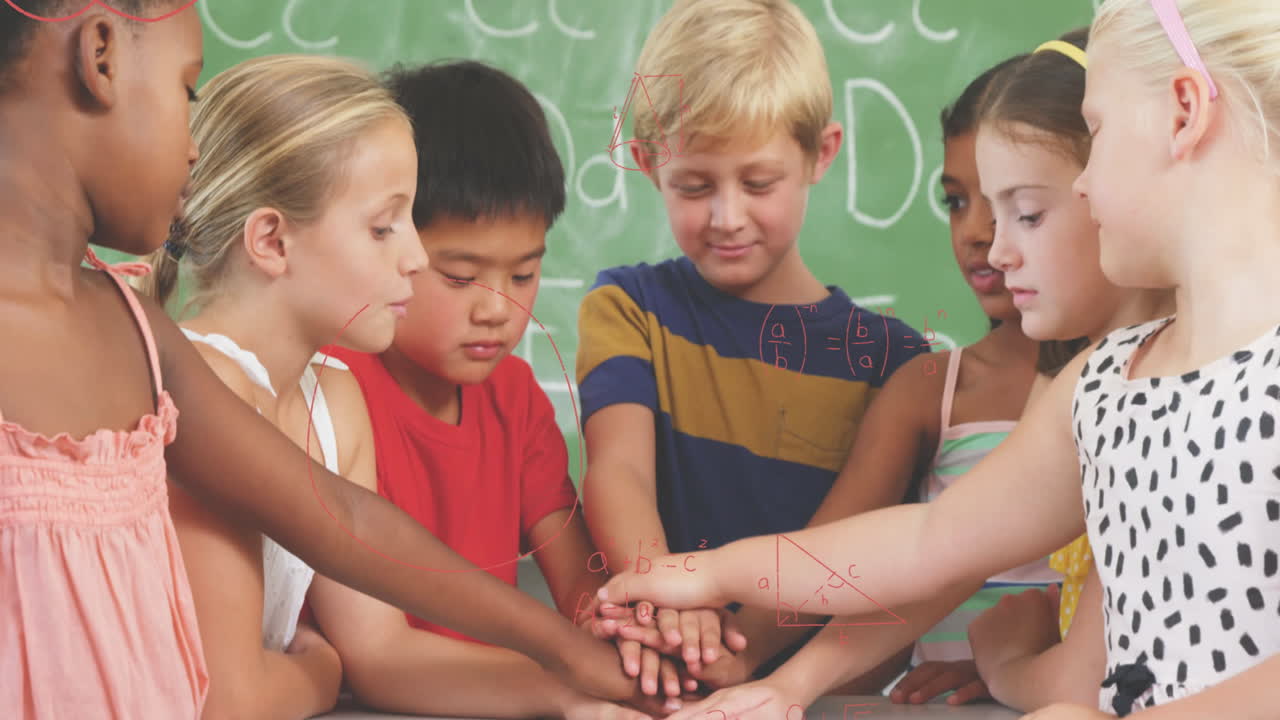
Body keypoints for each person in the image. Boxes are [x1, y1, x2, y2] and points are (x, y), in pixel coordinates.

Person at [603, 1, 1280, 715]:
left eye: (1099, 130)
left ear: (1183, 112)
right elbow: (932, 540)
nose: (1082, 182)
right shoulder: (1103, 385)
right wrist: (706, 574)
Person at [0, 4, 644, 717]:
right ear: (100, 55)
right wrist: (322, 666)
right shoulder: (182, 366)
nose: (417, 257)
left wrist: (577, 673)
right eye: (187, 91)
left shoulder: (166, 344)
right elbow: (234, 691)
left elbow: (349, 528)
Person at [576, 0, 927, 693]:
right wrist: (675, 599)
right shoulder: (628, 310)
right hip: (665, 679)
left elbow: (842, 545)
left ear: (820, 155)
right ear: (647, 165)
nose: (727, 216)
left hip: (824, 699)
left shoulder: (893, 363)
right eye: (694, 186)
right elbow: (620, 474)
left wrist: (735, 643)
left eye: (758, 183)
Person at [312, 59, 668, 720]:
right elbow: (380, 658)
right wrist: (566, 686)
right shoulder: (331, 391)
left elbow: (583, 589)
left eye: (525, 273)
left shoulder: (516, 397)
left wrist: (641, 640)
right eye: (460, 277)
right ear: (387, 241)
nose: (498, 309)